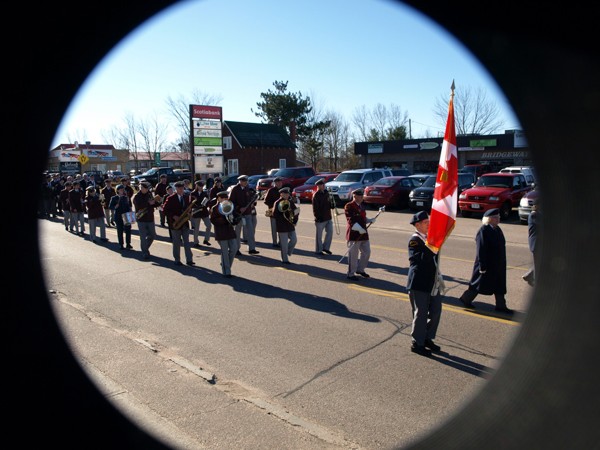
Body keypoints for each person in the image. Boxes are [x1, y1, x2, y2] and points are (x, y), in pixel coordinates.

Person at [459, 208, 514, 314]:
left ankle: (501, 305)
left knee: (499, 285)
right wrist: (482, 265)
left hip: (498, 264)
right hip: (487, 264)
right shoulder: (483, 230)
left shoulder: (497, 229)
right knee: (478, 284)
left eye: (498, 217)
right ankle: (466, 299)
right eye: (496, 217)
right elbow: (481, 249)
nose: (498, 219)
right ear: (489, 219)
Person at [406, 211, 444, 356]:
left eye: (429, 222)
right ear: (417, 225)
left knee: (435, 311)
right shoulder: (414, 241)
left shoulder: (430, 239)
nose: (429, 224)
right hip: (419, 282)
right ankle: (417, 342)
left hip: (432, 281)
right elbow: (418, 260)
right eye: (426, 223)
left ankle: (427, 337)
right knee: (421, 313)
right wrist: (432, 245)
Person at [162, 180, 195, 266]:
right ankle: (177, 259)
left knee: (187, 242)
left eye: (182, 188)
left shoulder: (186, 197)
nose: (181, 190)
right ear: (176, 189)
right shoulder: (170, 198)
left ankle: (189, 259)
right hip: (175, 224)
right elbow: (165, 210)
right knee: (176, 243)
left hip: (185, 223)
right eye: (179, 188)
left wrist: (189, 213)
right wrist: (173, 216)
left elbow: (188, 208)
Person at [344, 188, 374, 280]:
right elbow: (351, 220)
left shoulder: (361, 206)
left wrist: (369, 220)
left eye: (362, 196)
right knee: (353, 255)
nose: (362, 197)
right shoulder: (349, 206)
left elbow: (362, 218)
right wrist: (359, 229)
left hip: (363, 234)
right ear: (355, 196)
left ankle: (360, 269)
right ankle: (351, 273)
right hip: (354, 234)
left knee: (367, 252)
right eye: (360, 196)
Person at [209, 190, 239, 278]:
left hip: (230, 231)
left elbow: (235, 215)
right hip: (221, 232)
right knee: (224, 252)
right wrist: (224, 220)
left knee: (234, 248)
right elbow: (213, 220)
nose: (225, 199)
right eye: (223, 198)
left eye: (226, 198)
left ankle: (225, 264)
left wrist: (236, 219)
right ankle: (226, 272)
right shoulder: (215, 208)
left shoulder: (230, 206)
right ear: (218, 199)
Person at [228, 175, 259, 255]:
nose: (245, 182)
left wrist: (253, 202)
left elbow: (249, 199)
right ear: (240, 181)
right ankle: (236, 249)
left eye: (246, 181)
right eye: (244, 181)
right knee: (237, 233)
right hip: (238, 214)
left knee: (250, 231)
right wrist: (239, 208)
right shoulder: (235, 189)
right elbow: (231, 202)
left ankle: (252, 248)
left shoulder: (247, 188)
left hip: (247, 213)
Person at [272, 187, 299, 264]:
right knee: (284, 244)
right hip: (282, 226)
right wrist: (283, 214)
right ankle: (284, 259)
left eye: (287, 194)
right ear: (281, 194)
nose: (287, 195)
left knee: (294, 240)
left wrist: (295, 219)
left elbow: (295, 211)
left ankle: (287, 252)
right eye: (285, 194)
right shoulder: (277, 203)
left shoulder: (290, 202)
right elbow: (274, 215)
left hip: (290, 225)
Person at [132, 182, 157, 259]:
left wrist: (157, 202)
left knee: (152, 235)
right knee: (143, 236)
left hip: (150, 218)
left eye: (146, 188)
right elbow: (138, 205)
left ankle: (145, 247)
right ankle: (145, 252)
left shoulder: (149, 194)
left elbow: (153, 203)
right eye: (143, 188)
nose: (145, 190)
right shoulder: (137, 196)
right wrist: (148, 203)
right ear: (140, 188)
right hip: (141, 218)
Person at [108, 184, 133, 250]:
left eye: (123, 189)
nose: (122, 190)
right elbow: (110, 206)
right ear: (117, 190)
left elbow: (129, 205)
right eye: (120, 189)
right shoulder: (114, 198)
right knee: (120, 230)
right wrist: (115, 207)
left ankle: (128, 243)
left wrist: (130, 211)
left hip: (126, 215)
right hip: (118, 216)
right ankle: (121, 244)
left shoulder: (126, 197)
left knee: (128, 230)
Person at [312, 178, 333, 255]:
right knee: (319, 236)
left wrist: (332, 205)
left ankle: (326, 247)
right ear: (318, 186)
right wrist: (318, 217)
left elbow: (329, 202)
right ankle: (318, 250)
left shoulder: (327, 193)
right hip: (320, 218)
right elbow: (315, 208)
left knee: (330, 232)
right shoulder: (316, 195)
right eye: (322, 185)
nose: (324, 186)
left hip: (328, 217)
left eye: (324, 184)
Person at [189, 180, 212, 248]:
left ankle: (206, 239)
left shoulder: (205, 193)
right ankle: (196, 242)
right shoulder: (193, 193)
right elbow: (190, 203)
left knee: (209, 225)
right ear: (197, 186)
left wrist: (206, 204)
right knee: (196, 228)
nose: (201, 187)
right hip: (196, 212)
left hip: (204, 212)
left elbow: (208, 202)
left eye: (202, 186)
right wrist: (197, 206)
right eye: (199, 186)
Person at [522, 203, 540, 286]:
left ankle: (529, 275)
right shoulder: (534, 215)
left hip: (541, 243)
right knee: (538, 263)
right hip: (536, 243)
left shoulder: (538, 214)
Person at [264, 177, 283, 248]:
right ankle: (274, 242)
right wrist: (273, 206)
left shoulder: (283, 190)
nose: (279, 183)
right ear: (275, 183)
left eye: (280, 182)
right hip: (273, 212)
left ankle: (281, 242)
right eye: (278, 182)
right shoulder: (271, 190)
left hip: (282, 213)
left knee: (281, 228)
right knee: (274, 228)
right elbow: (266, 201)